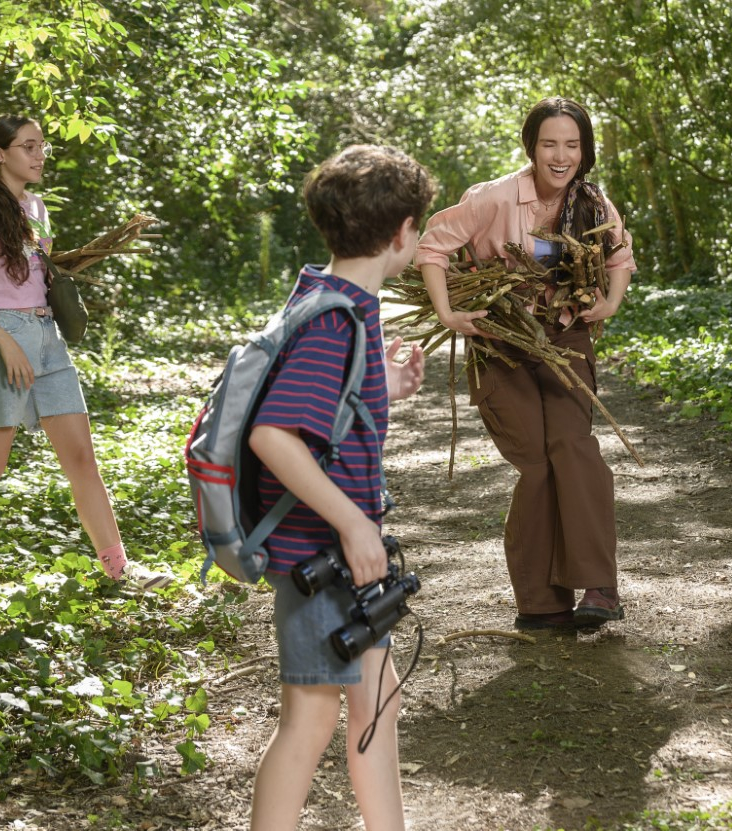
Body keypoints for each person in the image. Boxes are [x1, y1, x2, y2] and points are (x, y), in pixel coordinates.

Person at [247, 144, 434, 831]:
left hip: (343, 560)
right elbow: (275, 435)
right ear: (402, 233)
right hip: (317, 556)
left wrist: (387, 388)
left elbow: (326, 417)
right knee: (312, 717)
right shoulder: (335, 322)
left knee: (378, 702)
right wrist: (354, 524)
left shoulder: (331, 299)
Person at [415, 96, 637, 631]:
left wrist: (609, 301)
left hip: (565, 339)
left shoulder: (593, 203)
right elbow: (432, 247)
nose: (560, 156)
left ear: (584, 151)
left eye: (572, 145)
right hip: (501, 343)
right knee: (536, 465)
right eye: (549, 144)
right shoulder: (492, 199)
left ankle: (599, 587)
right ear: (531, 148)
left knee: (573, 446)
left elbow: (619, 257)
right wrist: (448, 312)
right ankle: (541, 603)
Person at [0, 114, 173, 600]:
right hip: (3, 339)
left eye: (41, 146)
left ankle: (120, 569)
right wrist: (3, 340)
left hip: (47, 337)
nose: (39, 154)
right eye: (28, 146)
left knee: (82, 459)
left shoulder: (36, 206)